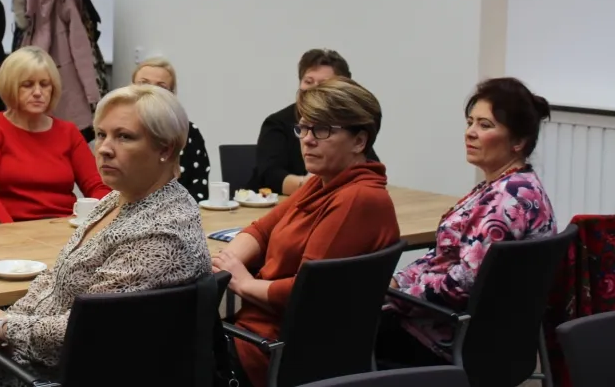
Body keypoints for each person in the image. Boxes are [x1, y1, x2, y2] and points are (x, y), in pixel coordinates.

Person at [0, 85, 212, 386]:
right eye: (101, 134)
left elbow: (85, 329)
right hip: (24, 354)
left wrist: (2, 324)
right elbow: (55, 280)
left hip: (49, 374)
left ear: (165, 149)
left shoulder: (161, 233)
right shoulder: (120, 197)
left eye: (124, 137)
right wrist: (0, 321)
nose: (104, 148)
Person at [213, 77, 399, 387]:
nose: (308, 140)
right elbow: (262, 229)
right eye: (304, 128)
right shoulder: (323, 182)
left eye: (322, 130)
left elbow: (305, 291)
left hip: (271, 350)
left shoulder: (357, 198)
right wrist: (227, 264)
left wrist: (244, 283)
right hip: (260, 334)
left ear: (359, 141)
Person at [376, 77, 557, 366]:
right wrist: (398, 281)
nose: (470, 132)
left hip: (448, 340)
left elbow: (461, 284)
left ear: (518, 142)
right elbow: (443, 257)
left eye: (485, 125)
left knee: (337, 337)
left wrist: (395, 296)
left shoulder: (506, 202)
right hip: (483, 337)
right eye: (470, 122)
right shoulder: (515, 185)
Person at [0, 46, 110, 223]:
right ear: (10, 86)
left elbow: (99, 187)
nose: (38, 92)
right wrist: (12, 232)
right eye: (27, 85)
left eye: (45, 84)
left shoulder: (68, 132)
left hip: (63, 226)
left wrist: (80, 221)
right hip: (10, 227)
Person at [249, 48, 377, 195]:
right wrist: (313, 184)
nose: (314, 89)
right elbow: (270, 175)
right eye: (308, 81)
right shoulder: (277, 122)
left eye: (323, 129)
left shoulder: (351, 127)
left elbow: (369, 168)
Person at [131, 56, 211, 202]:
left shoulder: (190, 132)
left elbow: (199, 190)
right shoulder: (116, 131)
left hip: (180, 212)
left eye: (161, 87)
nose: (151, 91)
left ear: (172, 95)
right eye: (144, 83)